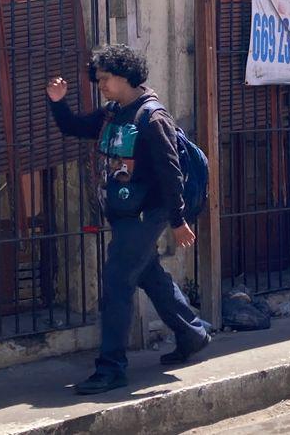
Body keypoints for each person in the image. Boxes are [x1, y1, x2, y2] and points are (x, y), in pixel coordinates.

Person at [46, 45, 212, 395]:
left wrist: (178, 220)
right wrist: (58, 102)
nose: (101, 85)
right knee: (149, 275)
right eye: (99, 79)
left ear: (125, 75)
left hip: (144, 216)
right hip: (124, 216)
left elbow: (172, 173)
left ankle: (111, 369)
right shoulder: (112, 114)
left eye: (105, 79)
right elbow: (74, 127)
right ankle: (191, 333)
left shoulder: (152, 118)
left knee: (117, 285)